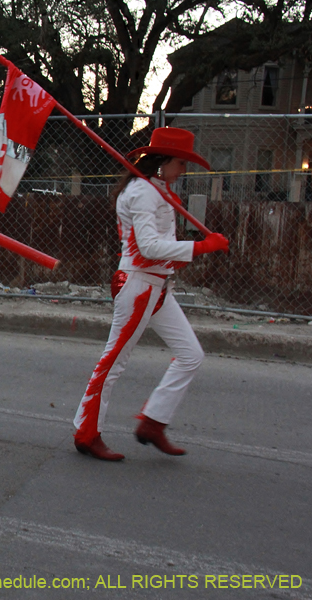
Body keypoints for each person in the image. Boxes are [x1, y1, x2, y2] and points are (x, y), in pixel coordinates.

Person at [72, 127, 229, 461]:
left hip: (156, 287)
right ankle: (86, 433)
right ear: (163, 161)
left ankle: (153, 423)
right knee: (112, 363)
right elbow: (149, 247)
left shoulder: (157, 191)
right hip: (139, 285)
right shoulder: (143, 193)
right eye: (181, 162)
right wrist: (201, 246)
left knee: (191, 354)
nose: (184, 170)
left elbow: (160, 249)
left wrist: (188, 254)